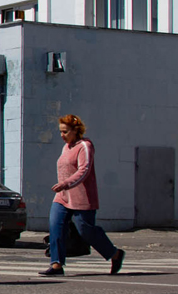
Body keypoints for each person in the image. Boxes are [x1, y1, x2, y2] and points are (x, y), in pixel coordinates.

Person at [40, 114, 124, 276]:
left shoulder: (85, 146)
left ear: (75, 130)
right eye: (60, 132)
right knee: (56, 226)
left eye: (65, 132)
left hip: (82, 196)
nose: (62, 135)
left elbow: (84, 170)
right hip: (62, 197)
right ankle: (57, 265)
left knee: (86, 231)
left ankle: (115, 254)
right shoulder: (66, 148)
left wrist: (65, 183)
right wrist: (63, 187)